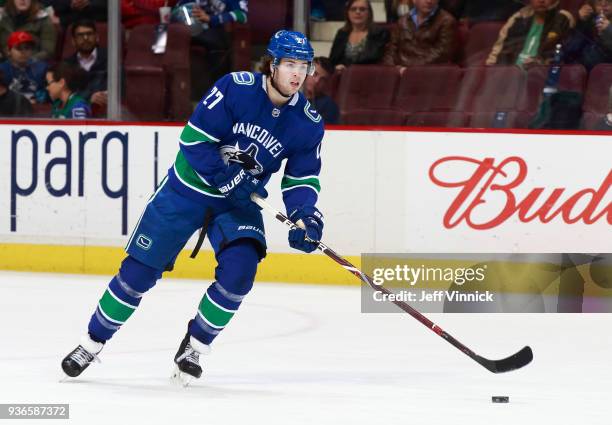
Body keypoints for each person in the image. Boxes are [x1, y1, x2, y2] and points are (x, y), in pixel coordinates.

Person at [60, 30, 326, 384]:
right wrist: (225, 178)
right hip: (187, 190)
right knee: (137, 274)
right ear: (273, 64)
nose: (297, 73)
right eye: (290, 64)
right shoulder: (237, 87)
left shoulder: (308, 123)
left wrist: (305, 214)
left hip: (236, 204)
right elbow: (194, 141)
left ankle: (195, 346)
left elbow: (301, 179)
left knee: (240, 272)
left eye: (303, 66)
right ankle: (91, 343)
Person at [486, 0, 575, 67]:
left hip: (540, 76)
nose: (541, 1)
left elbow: (564, 54)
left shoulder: (562, 18)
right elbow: (498, 50)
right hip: (511, 75)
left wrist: (541, 63)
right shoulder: (518, 18)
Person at [383, 0, 456, 67]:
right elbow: (391, 49)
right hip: (400, 71)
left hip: (427, 73)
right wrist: (393, 69)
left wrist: (410, 69)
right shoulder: (402, 21)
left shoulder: (446, 21)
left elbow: (442, 54)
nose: (429, 1)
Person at [329, 0, 390, 71]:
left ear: (369, 13)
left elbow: (373, 57)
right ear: (347, 13)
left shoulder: (379, 33)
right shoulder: (342, 33)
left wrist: (347, 67)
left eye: (362, 9)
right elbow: (332, 59)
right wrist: (336, 67)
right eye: (353, 9)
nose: (358, 12)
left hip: (368, 74)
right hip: (343, 76)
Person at [63, 18, 107, 109]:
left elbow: (119, 91)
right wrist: (87, 99)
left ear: (97, 37)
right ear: (73, 41)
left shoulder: (110, 60)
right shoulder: (67, 65)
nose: (86, 38)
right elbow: (64, 95)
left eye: (89, 34)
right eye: (80, 35)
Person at [0, 30, 47, 103]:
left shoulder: (42, 68)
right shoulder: (2, 70)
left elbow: (48, 94)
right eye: (18, 48)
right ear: (8, 51)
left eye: (27, 48)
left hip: (35, 109)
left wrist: (39, 98)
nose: (23, 52)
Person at [565, 0, 612, 70]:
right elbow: (569, 51)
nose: (603, 4)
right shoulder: (589, 21)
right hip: (583, 73)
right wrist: (579, 21)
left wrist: (609, 31)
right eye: (599, 1)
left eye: (608, 1)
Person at [304, 56, 339, 124]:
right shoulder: (291, 97)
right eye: (315, 74)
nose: (317, 81)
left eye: (323, 79)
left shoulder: (329, 106)